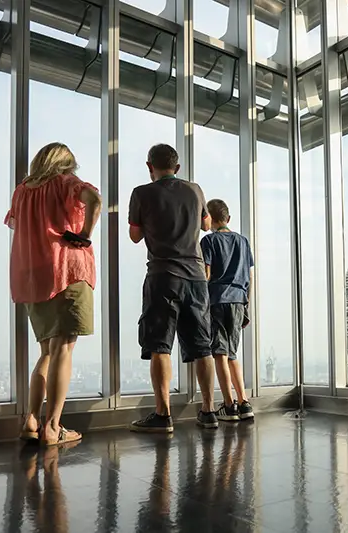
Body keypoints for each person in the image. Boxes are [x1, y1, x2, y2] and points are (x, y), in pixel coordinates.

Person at [5, 142, 102, 446]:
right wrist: (85, 234)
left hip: (33, 276)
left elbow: (17, 225)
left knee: (47, 351)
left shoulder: (22, 191)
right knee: (63, 349)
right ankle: (53, 427)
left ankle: (31, 420)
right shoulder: (65, 182)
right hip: (66, 272)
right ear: (65, 163)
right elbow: (95, 200)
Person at [128, 144, 219, 433]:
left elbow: (134, 236)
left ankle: (163, 414)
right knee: (203, 347)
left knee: (160, 346)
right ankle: (208, 410)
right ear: (177, 168)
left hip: (162, 276)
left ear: (149, 166)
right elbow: (206, 225)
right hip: (195, 277)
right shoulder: (195, 190)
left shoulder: (142, 193)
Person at [200, 199, 255, 422]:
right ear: (228, 219)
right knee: (232, 353)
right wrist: (246, 306)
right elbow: (250, 276)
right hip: (239, 301)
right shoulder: (243, 241)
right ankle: (244, 402)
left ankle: (229, 405)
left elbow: (206, 275)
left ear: (208, 219)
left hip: (217, 300)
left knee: (219, 353)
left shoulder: (208, 242)